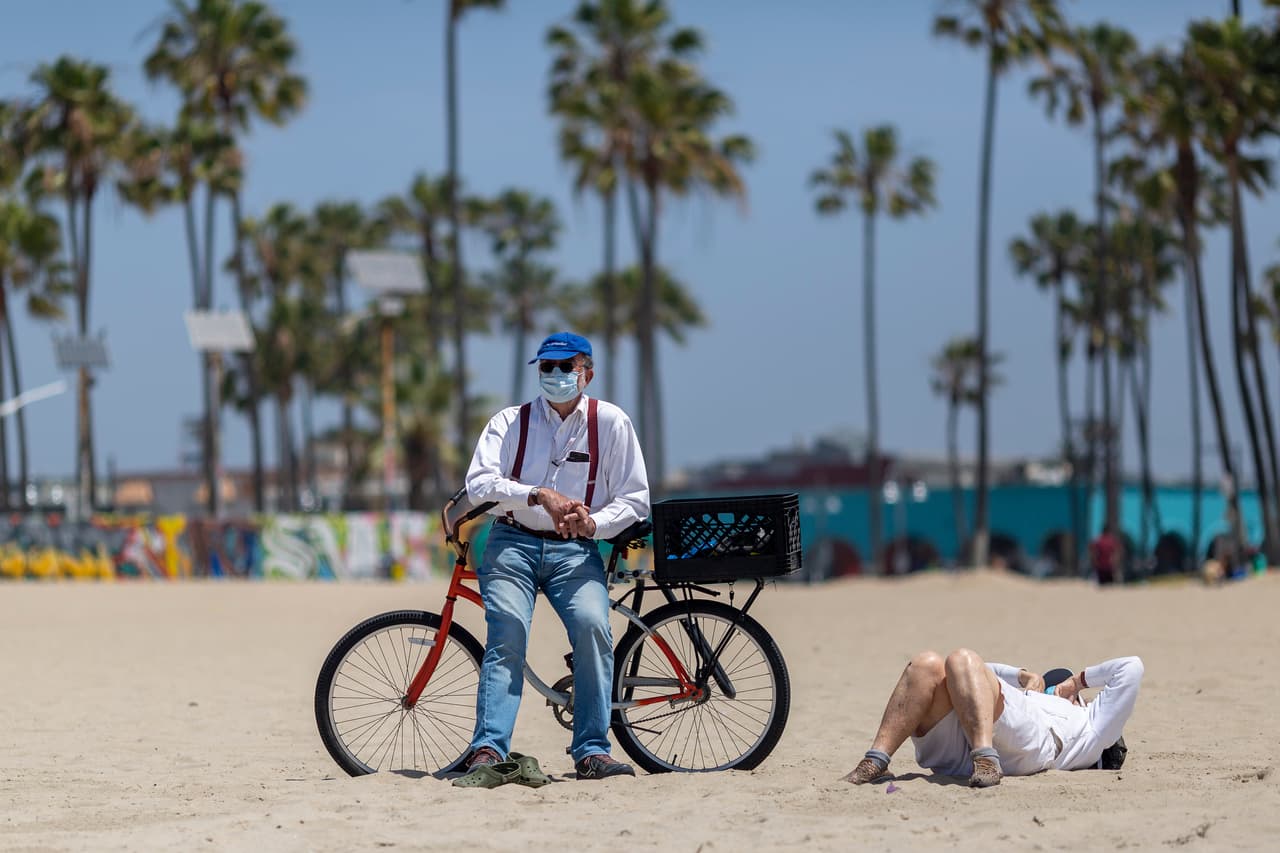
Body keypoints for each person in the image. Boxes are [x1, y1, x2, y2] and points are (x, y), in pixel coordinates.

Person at [460, 331, 650, 782]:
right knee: (507, 632)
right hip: (513, 541)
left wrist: (595, 525)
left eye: (566, 367)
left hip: (576, 551)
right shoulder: (509, 422)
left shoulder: (612, 423)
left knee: (591, 627)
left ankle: (592, 751)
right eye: (547, 367)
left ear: (588, 372)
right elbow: (479, 485)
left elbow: (636, 498)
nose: (556, 375)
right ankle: (488, 748)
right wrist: (536, 495)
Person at [843, 648, 1144, 788]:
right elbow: (971, 674)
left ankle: (986, 758)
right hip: (965, 750)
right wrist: (1022, 676)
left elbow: (1131, 668)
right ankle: (875, 761)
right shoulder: (1027, 697)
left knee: (963, 658)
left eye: (1058, 685)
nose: (1056, 689)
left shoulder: (1093, 723)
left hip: (1032, 744)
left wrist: (1077, 682)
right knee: (927, 665)